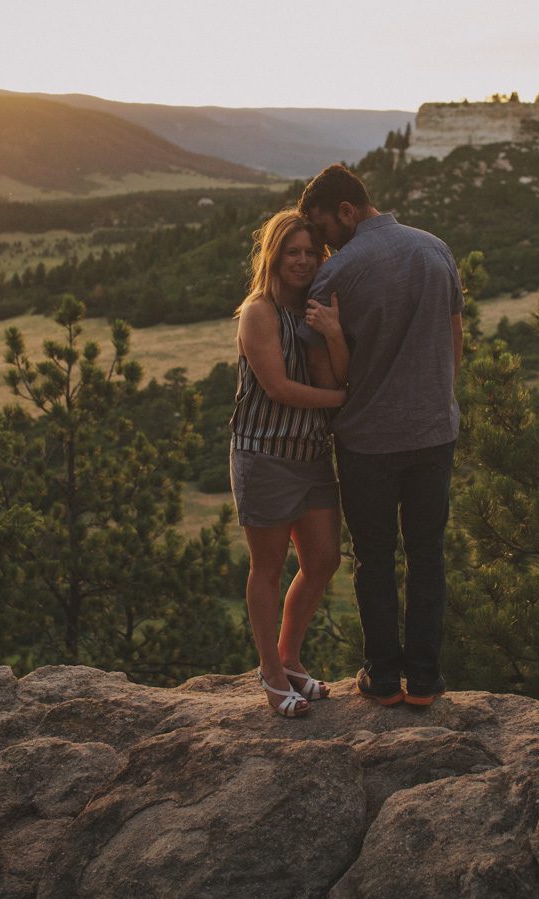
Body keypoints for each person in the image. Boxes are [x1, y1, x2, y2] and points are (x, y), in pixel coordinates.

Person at [297, 164, 462, 707]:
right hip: (434, 430)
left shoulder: (335, 275)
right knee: (427, 555)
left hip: (368, 439)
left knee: (374, 557)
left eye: (323, 229)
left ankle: (384, 680)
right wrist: (437, 397)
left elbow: (328, 379)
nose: (322, 244)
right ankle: (426, 682)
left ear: (346, 211)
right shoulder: (437, 249)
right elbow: (455, 341)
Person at [231, 208, 351, 718]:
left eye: (310, 252)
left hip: (312, 456)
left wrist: (335, 333)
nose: (302, 261)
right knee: (269, 567)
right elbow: (278, 388)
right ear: (274, 257)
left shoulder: (315, 310)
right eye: (292, 252)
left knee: (323, 561)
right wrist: (346, 401)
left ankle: (290, 657)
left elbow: (337, 374)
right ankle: (272, 673)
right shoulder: (259, 312)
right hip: (265, 456)